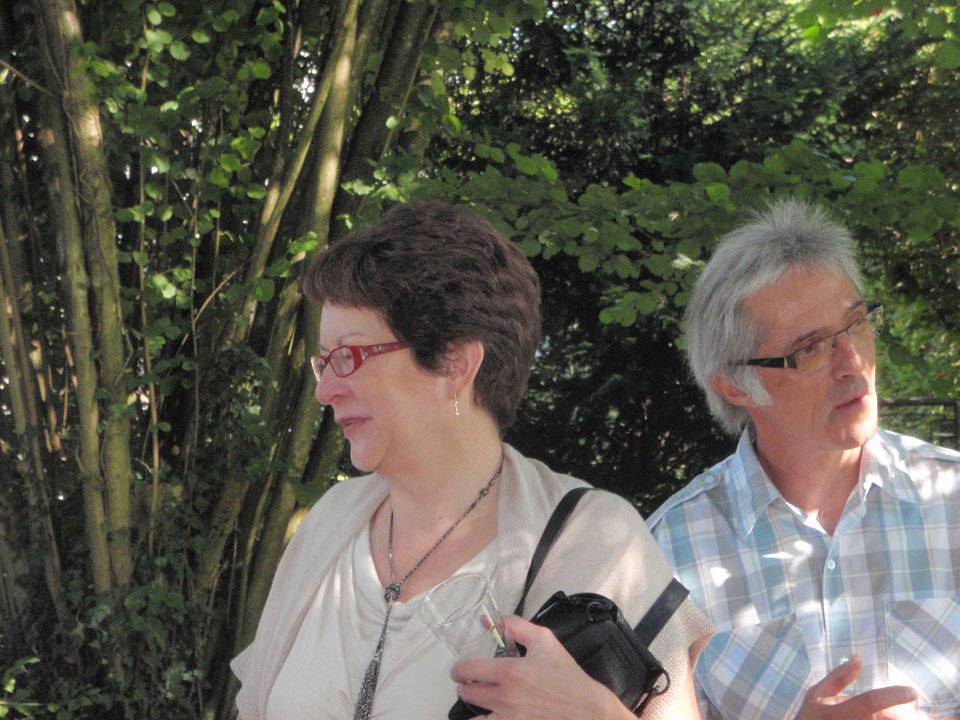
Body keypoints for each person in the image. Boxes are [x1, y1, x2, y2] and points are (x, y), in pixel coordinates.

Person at [230, 199, 711, 720]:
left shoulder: (595, 542)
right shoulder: (329, 524)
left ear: (456, 363)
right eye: (324, 362)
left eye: (348, 356)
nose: (324, 390)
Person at [647, 198, 960, 720]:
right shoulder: (669, 556)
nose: (852, 362)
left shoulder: (951, 501)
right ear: (735, 385)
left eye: (857, 324)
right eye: (810, 348)